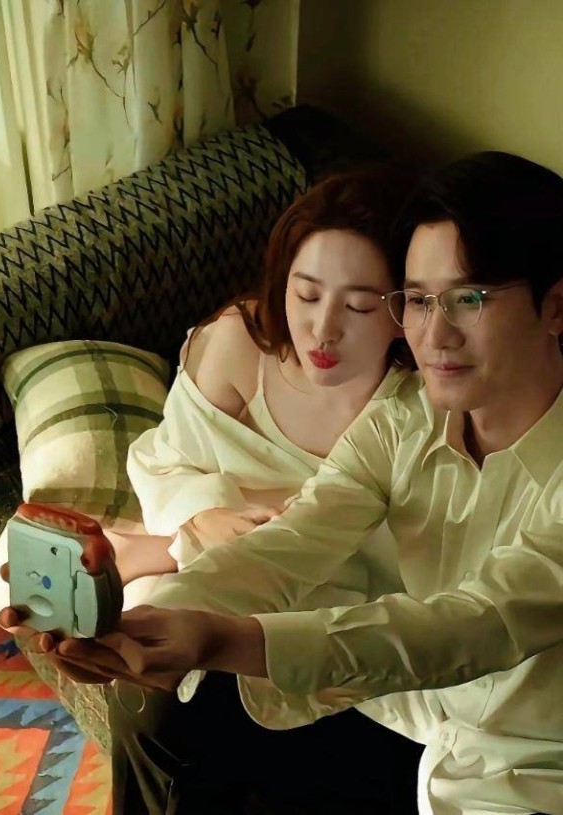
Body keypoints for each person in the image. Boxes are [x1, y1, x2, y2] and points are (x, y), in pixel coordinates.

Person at [32, 150, 563, 815]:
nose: (434, 335)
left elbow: (470, 626)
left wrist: (222, 637)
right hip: (423, 717)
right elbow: (296, 540)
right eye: (418, 300)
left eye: (468, 299)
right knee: (166, 703)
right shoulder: (405, 418)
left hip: (534, 765)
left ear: (556, 306)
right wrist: (145, 623)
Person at [0, 168, 426, 813]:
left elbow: (393, 563)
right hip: (221, 563)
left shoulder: (414, 410)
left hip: (340, 601)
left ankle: (156, 557)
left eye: (360, 307)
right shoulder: (238, 344)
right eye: (306, 294)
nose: (323, 329)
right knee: (139, 682)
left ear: (405, 311)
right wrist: (204, 518)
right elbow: (164, 463)